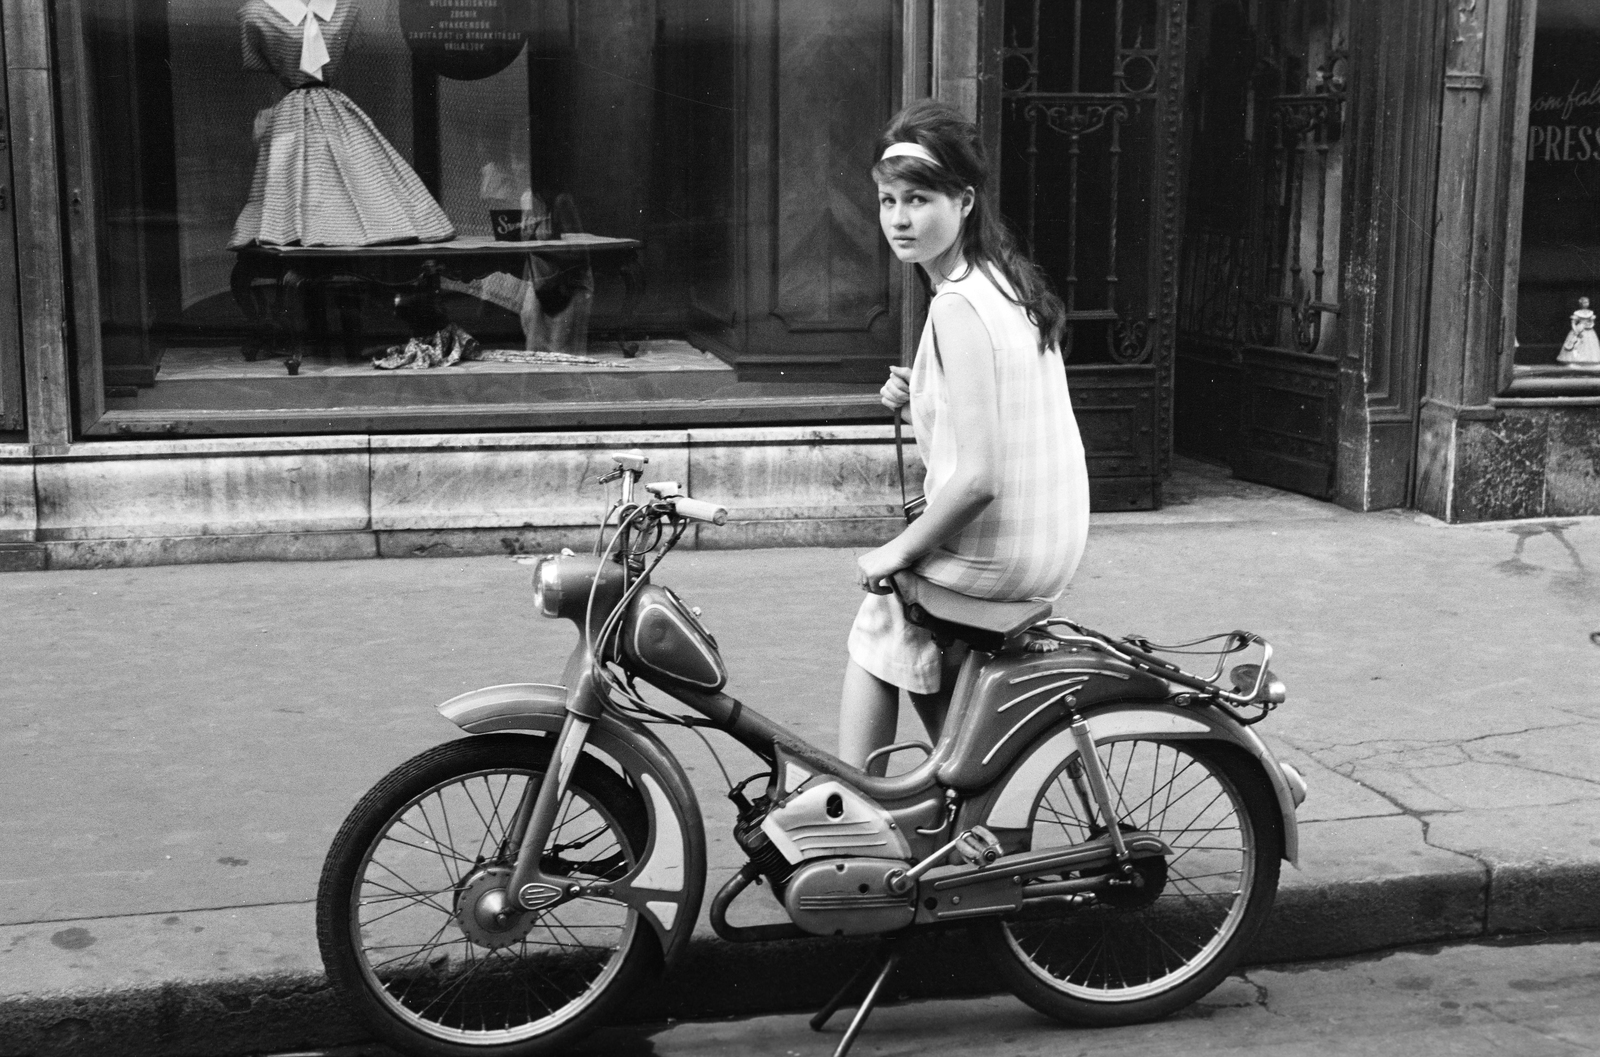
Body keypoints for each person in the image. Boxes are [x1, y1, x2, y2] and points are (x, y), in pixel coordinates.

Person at [839, 99, 1090, 775]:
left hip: (1004, 548)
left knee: (881, 615)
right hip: (1050, 536)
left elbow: (978, 477)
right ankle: (953, 785)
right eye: (888, 199)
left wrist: (894, 551)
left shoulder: (954, 306)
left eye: (918, 199)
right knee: (911, 633)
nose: (898, 218)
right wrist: (916, 385)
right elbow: (996, 394)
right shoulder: (1001, 277)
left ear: (965, 201)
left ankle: (852, 802)